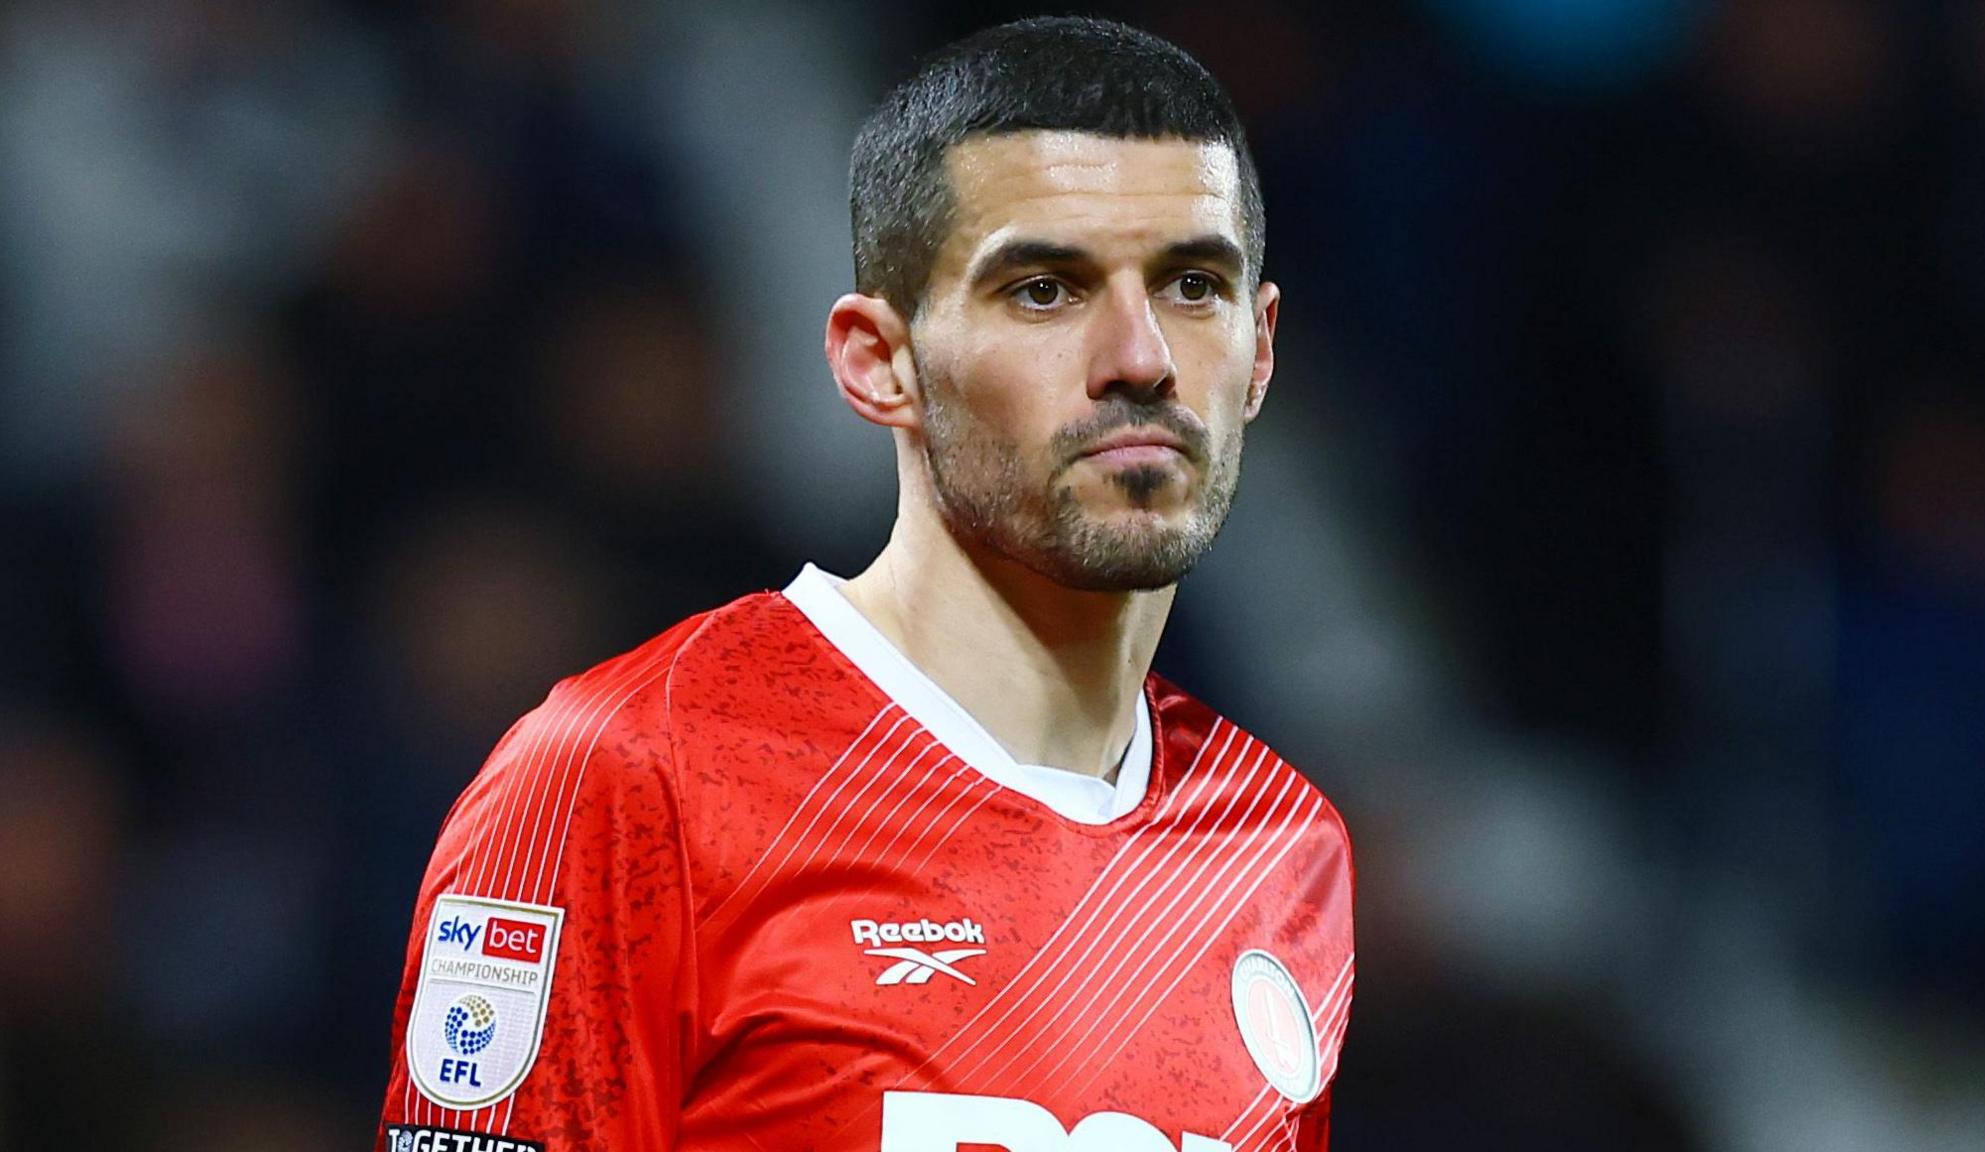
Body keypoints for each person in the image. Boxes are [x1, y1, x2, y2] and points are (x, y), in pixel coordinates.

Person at [378, 17, 1354, 1152]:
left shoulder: (1281, 844)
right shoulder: (632, 775)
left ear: (1262, 349)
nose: (1138, 356)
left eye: (1192, 284)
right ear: (876, 362)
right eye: (1043, 289)